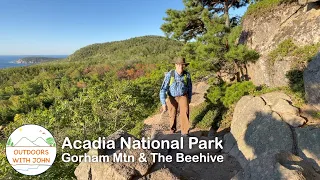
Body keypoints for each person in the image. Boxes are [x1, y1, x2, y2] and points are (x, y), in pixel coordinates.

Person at [159, 57, 192, 136]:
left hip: (183, 96)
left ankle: (184, 132)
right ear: (175, 65)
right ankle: (172, 129)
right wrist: (163, 103)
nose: (180, 67)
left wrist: (189, 98)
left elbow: (190, 87)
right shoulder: (170, 74)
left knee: (185, 112)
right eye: (179, 65)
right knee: (172, 113)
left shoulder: (187, 75)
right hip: (172, 97)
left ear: (184, 66)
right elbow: (163, 89)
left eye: (182, 65)